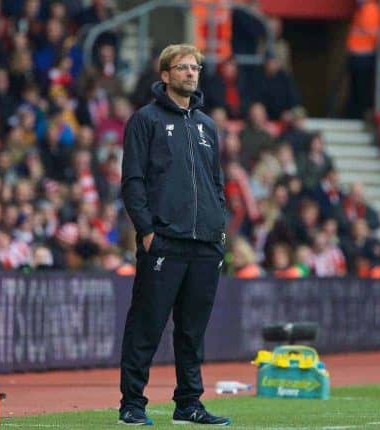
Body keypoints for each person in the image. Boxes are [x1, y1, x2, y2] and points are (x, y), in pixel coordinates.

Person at [119, 44, 230, 426]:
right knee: (146, 325)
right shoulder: (144, 120)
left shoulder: (207, 126)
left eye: (195, 67)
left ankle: (189, 405)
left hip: (205, 244)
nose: (191, 73)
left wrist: (219, 229)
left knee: (192, 332)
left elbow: (216, 183)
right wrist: (147, 231)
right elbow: (132, 181)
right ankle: (132, 405)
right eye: (182, 67)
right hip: (164, 241)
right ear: (165, 74)